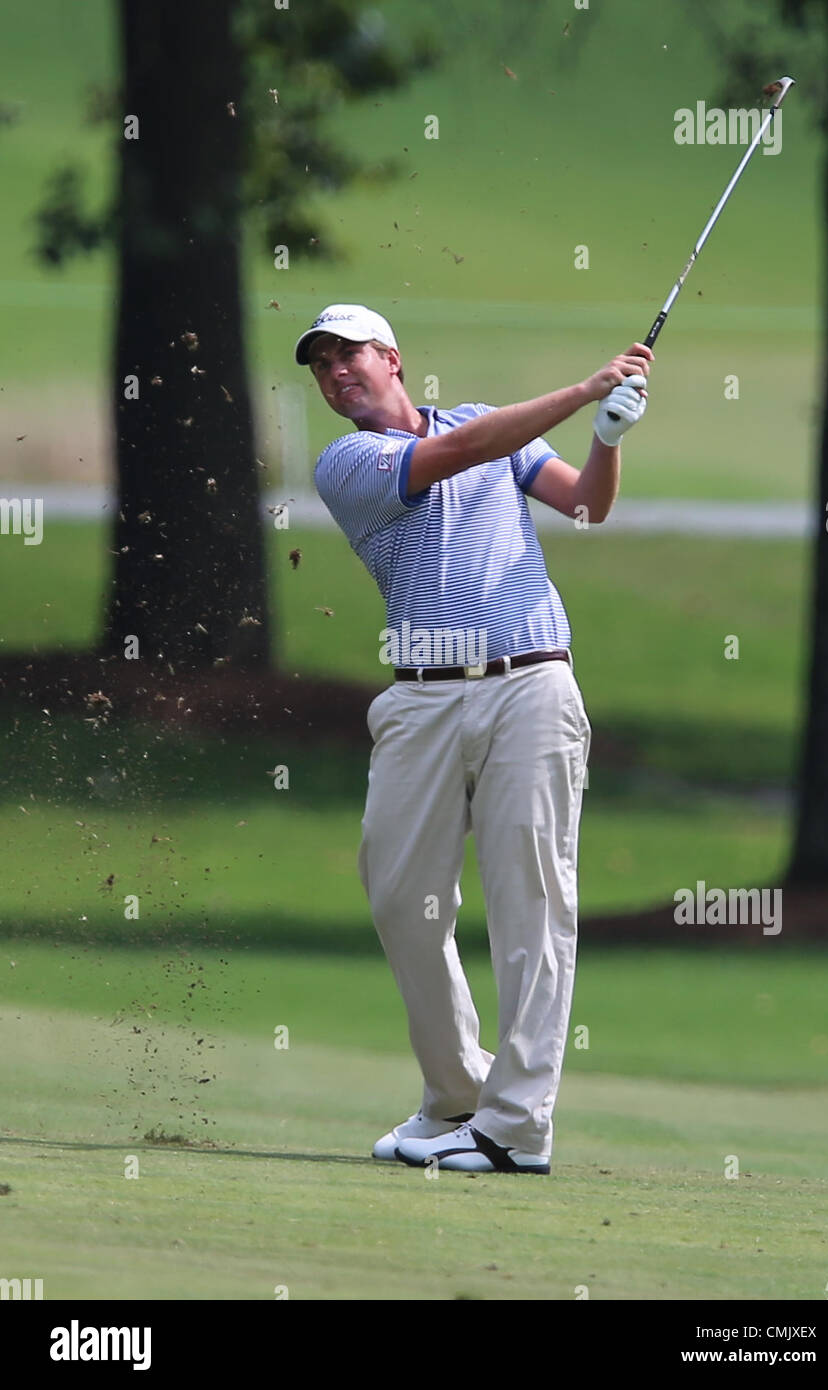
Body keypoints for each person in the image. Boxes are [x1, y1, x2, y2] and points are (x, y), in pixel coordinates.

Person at [295, 304, 652, 1173]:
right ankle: (459, 1093)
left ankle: (518, 1126)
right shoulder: (350, 463)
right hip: (421, 701)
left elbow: (585, 507)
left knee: (533, 903)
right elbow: (459, 454)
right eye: (321, 364)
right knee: (399, 897)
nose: (337, 372)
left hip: (531, 681)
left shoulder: (483, 424)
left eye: (351, 355)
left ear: (393, 358)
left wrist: (606, 436)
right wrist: (584, 388)